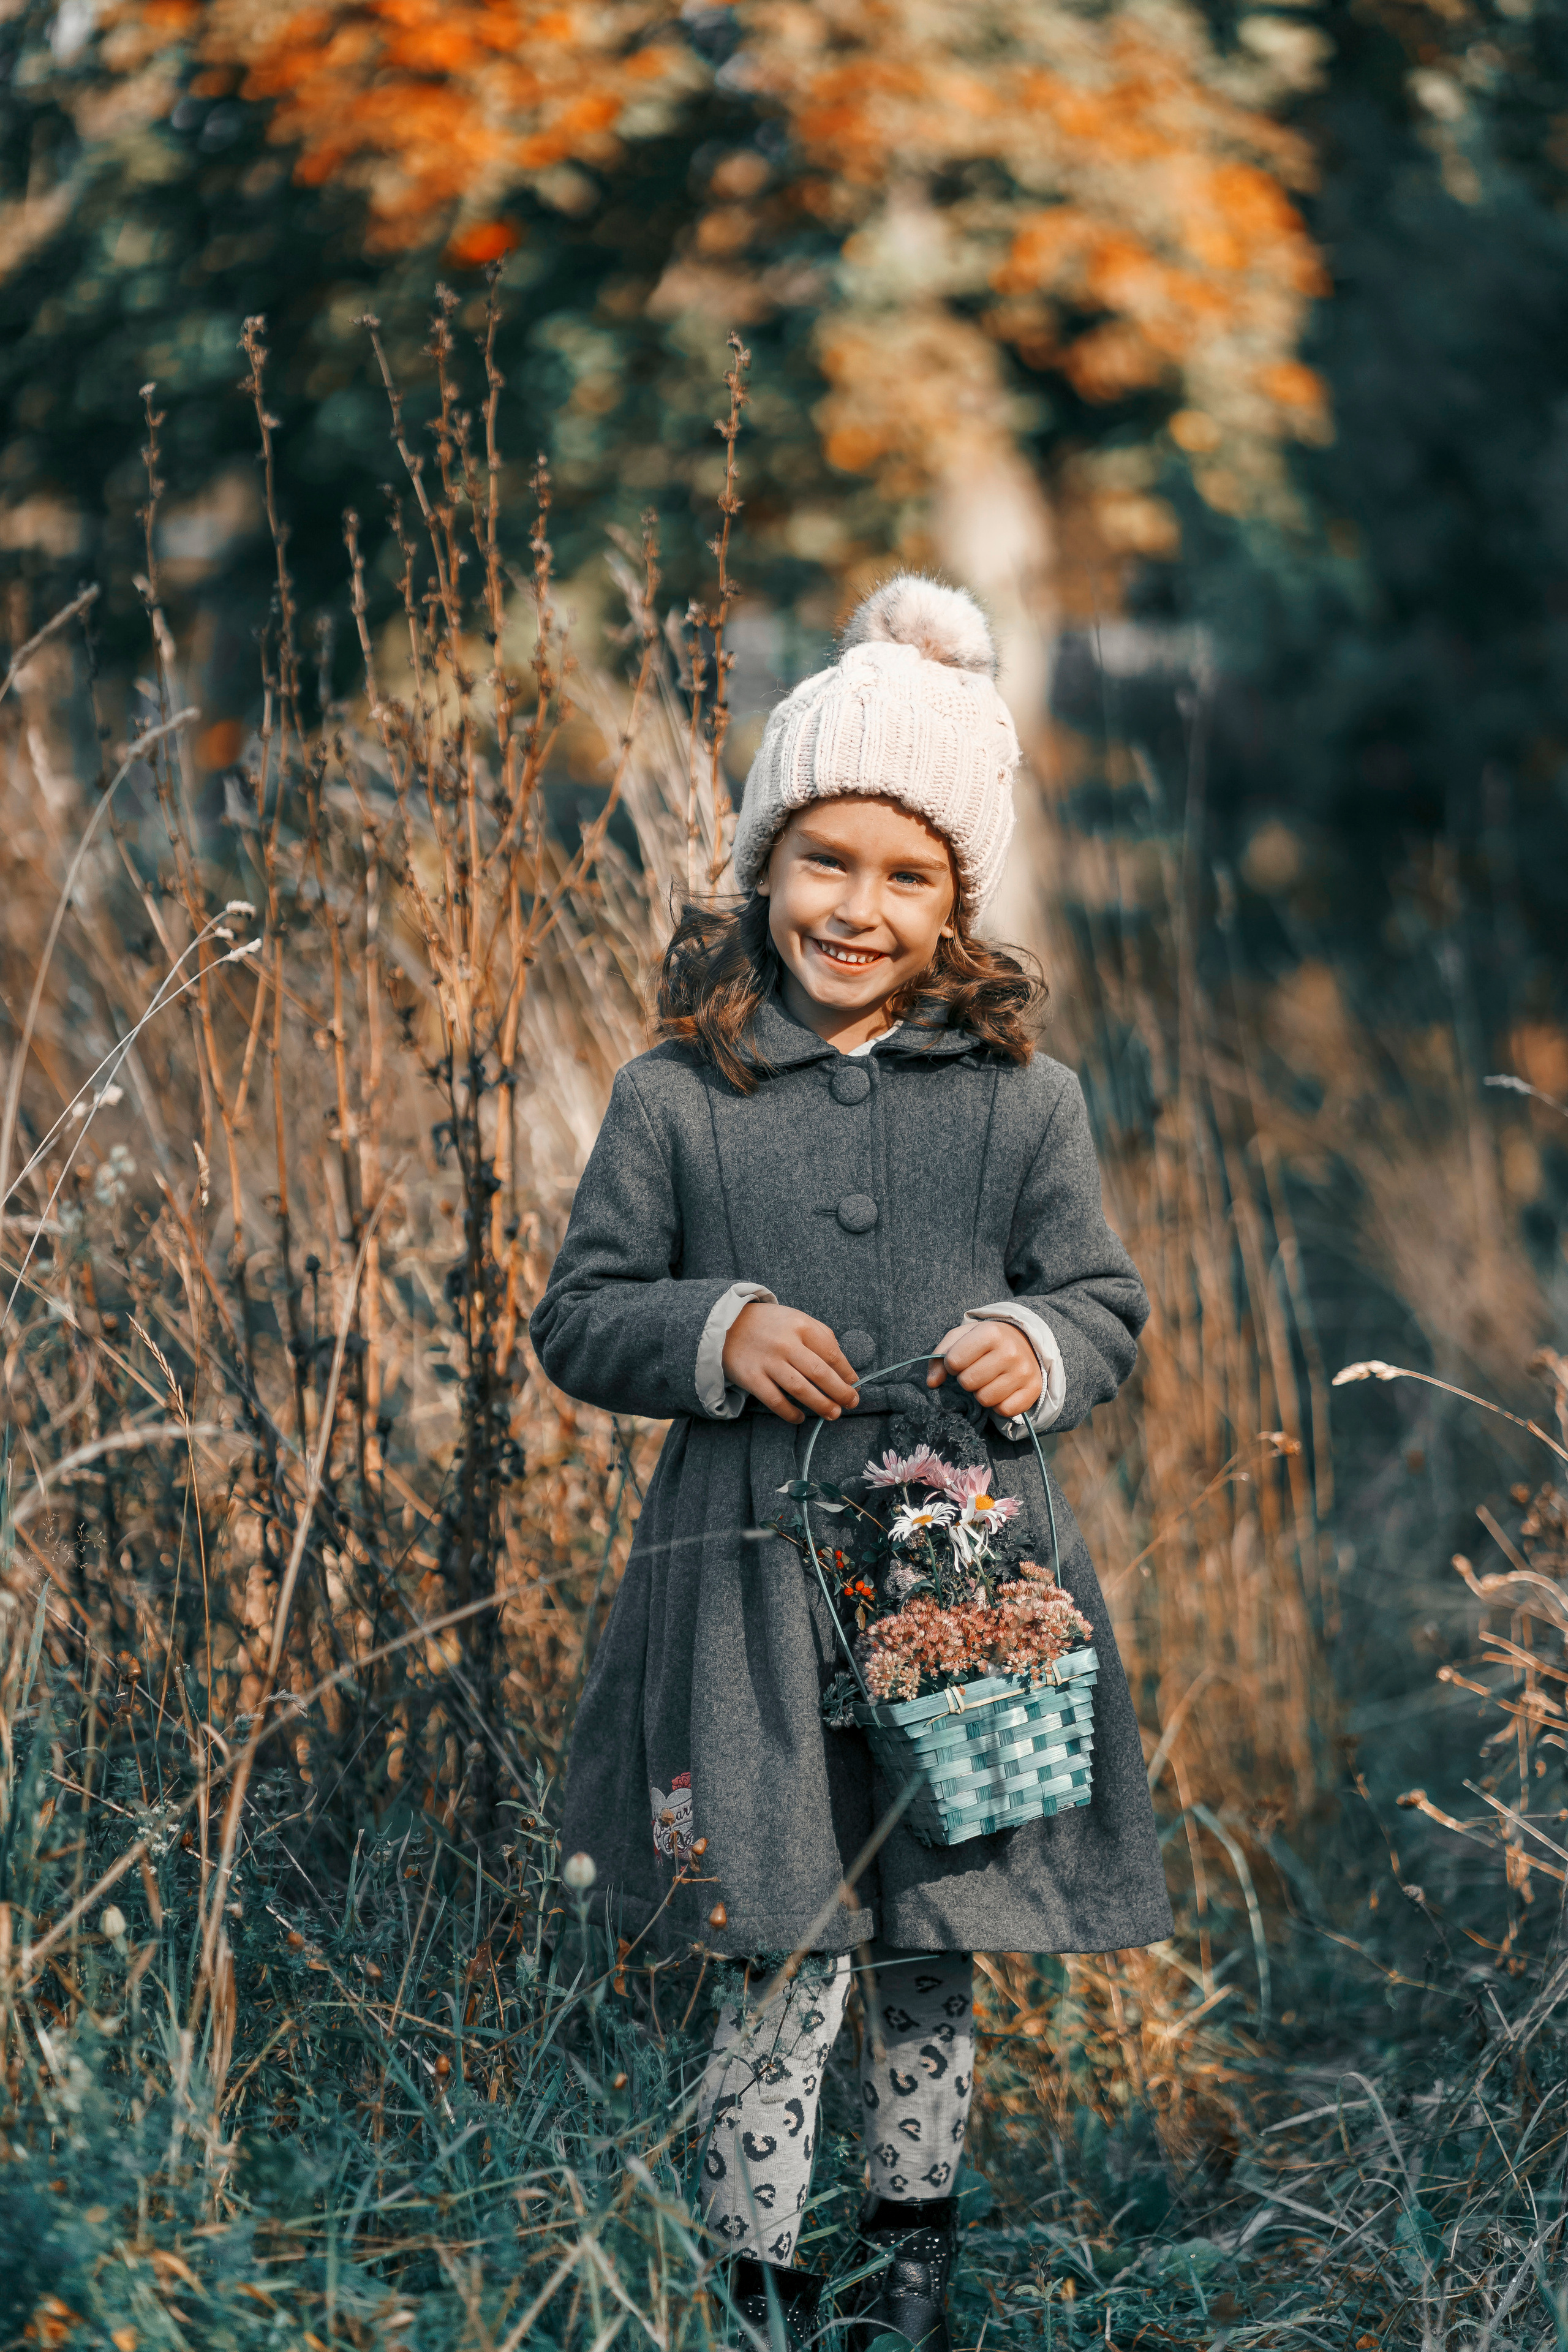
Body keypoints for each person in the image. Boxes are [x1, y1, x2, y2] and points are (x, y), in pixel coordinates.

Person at [530, 574, 1171, 2350]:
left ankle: (913, 2267)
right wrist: (715, 1328)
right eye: (825, 861)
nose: (859, 908)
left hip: (964, 1584)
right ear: (762, 867)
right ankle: (758, 2286)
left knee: (925, 1942)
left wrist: (1043, 1348)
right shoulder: (680, 1092)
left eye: (907, 874)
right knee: (777, 1935)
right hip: (745, 1589)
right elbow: (582, 1315)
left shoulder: (1025, 1100)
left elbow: (1106, 1300)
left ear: (962, 897)